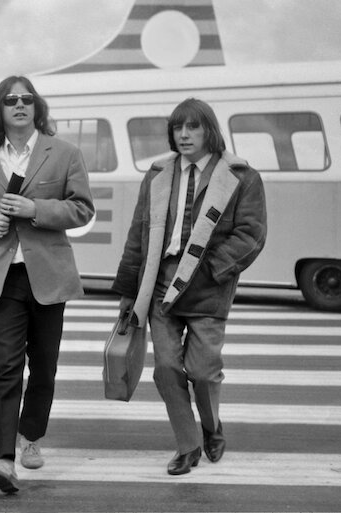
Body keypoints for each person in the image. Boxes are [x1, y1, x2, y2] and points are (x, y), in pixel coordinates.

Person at [113, 97, 267, 476]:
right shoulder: (158, 174)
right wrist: (130, 292)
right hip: (161, 284)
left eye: (193, 127)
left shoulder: (242, 176)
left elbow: (251, 234)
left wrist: (211, 268)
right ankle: (188, 445)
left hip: (207, 289)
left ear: (209, 130)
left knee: (203, 372)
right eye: (178, 127)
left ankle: (212, 427)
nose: (184, 134)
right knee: (166, 369)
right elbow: (138, 235)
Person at [0, 76, 94, 493]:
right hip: (2, 276)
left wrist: (34, 208)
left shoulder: (64, 153)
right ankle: (4, 461)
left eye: (26, 98)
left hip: (48, 275)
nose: (19, 105)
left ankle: (31, 435)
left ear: (37, 107)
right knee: (5, 369)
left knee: (44, 367)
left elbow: (82, 209)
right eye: (10, 100)